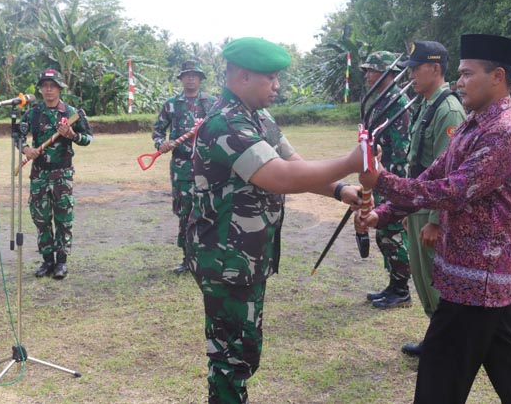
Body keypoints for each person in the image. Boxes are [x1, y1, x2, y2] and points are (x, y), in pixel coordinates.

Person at [356, 33, 511, 404]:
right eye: (459, 74)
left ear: (497, 77)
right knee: (510, 365)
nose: (458, 82)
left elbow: (453, 191)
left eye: (466, 74)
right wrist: (383, 213)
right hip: (474, 273)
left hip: (479, 276)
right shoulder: (474, 123)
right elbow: (432, 175)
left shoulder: (504, 133)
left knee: (439, 375)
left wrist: (381, 181)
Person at [186, 37, 362, 403]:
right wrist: (349, 162)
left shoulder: (259, 117)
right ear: (244, 76)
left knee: (245, 351)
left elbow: (294, 163)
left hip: (249, 257)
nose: (278, 86)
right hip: (226, 260)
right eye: (272, 78)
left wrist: (340, 189)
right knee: (231, 357)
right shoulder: (225, 123)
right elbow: (279, 176)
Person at [397, 41, 466, 357]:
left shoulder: (448, 109)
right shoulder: (427, 103)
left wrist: (436, 220)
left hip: (432, 210)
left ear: (435, 69)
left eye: (416, 68)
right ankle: (438, 337)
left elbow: (450, 172)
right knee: (423, 277)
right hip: (419, 205)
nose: (411, 74)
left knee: (436, 279)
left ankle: (447, 345)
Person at [21, 69, 93, 279]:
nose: (49, 89)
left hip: (62, 173)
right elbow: (17, 135)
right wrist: (26, 150)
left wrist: (72, 135)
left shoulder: (72, 113)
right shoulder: (33, 113)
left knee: (63, 217)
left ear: (60, 88)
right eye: (45, 86)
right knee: (41, 218)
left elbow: (88, 138)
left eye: (53, 86)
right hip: (39, 174)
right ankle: (47, 260)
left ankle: (61, 261)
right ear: (41, 89)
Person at [152, 60, 217, 273]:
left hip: (208, 168)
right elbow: (158, 131)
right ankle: (187, 260)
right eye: (187, 75)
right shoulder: (171, 104)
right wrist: (160, 143)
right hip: (182, 169)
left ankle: (208, 259)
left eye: (195, 75)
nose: (191, 78)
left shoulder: (212, 104)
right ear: (181, 79)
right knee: (185, 212)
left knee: (209, 212)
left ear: (200, 79)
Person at [359, 51, 411, 309]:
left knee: (391, 234)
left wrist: (394, 185)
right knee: (382, 233)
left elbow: (402, 149)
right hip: (380, 176)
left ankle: (402, 290)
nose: (367, 75)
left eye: (372, 70)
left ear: (387, 73)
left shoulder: (397, 101)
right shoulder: (380, 100)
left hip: (391, 177)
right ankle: (394, 283)